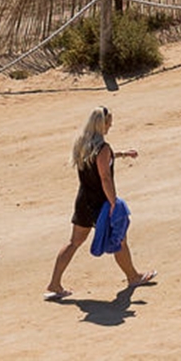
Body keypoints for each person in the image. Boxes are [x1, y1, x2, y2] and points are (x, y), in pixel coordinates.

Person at [49, 106, 154, 299]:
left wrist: (122, 154)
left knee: (74, 242)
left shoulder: (82, 143)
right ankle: (133, 277)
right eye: (108, 123)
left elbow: (102, 160)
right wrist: (114, 203)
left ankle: (54, 283)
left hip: (83, 201)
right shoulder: (103, 148)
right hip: (101, 204)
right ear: (101, 124)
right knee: (120, 238)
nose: (110, 126)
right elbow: (105, 176)